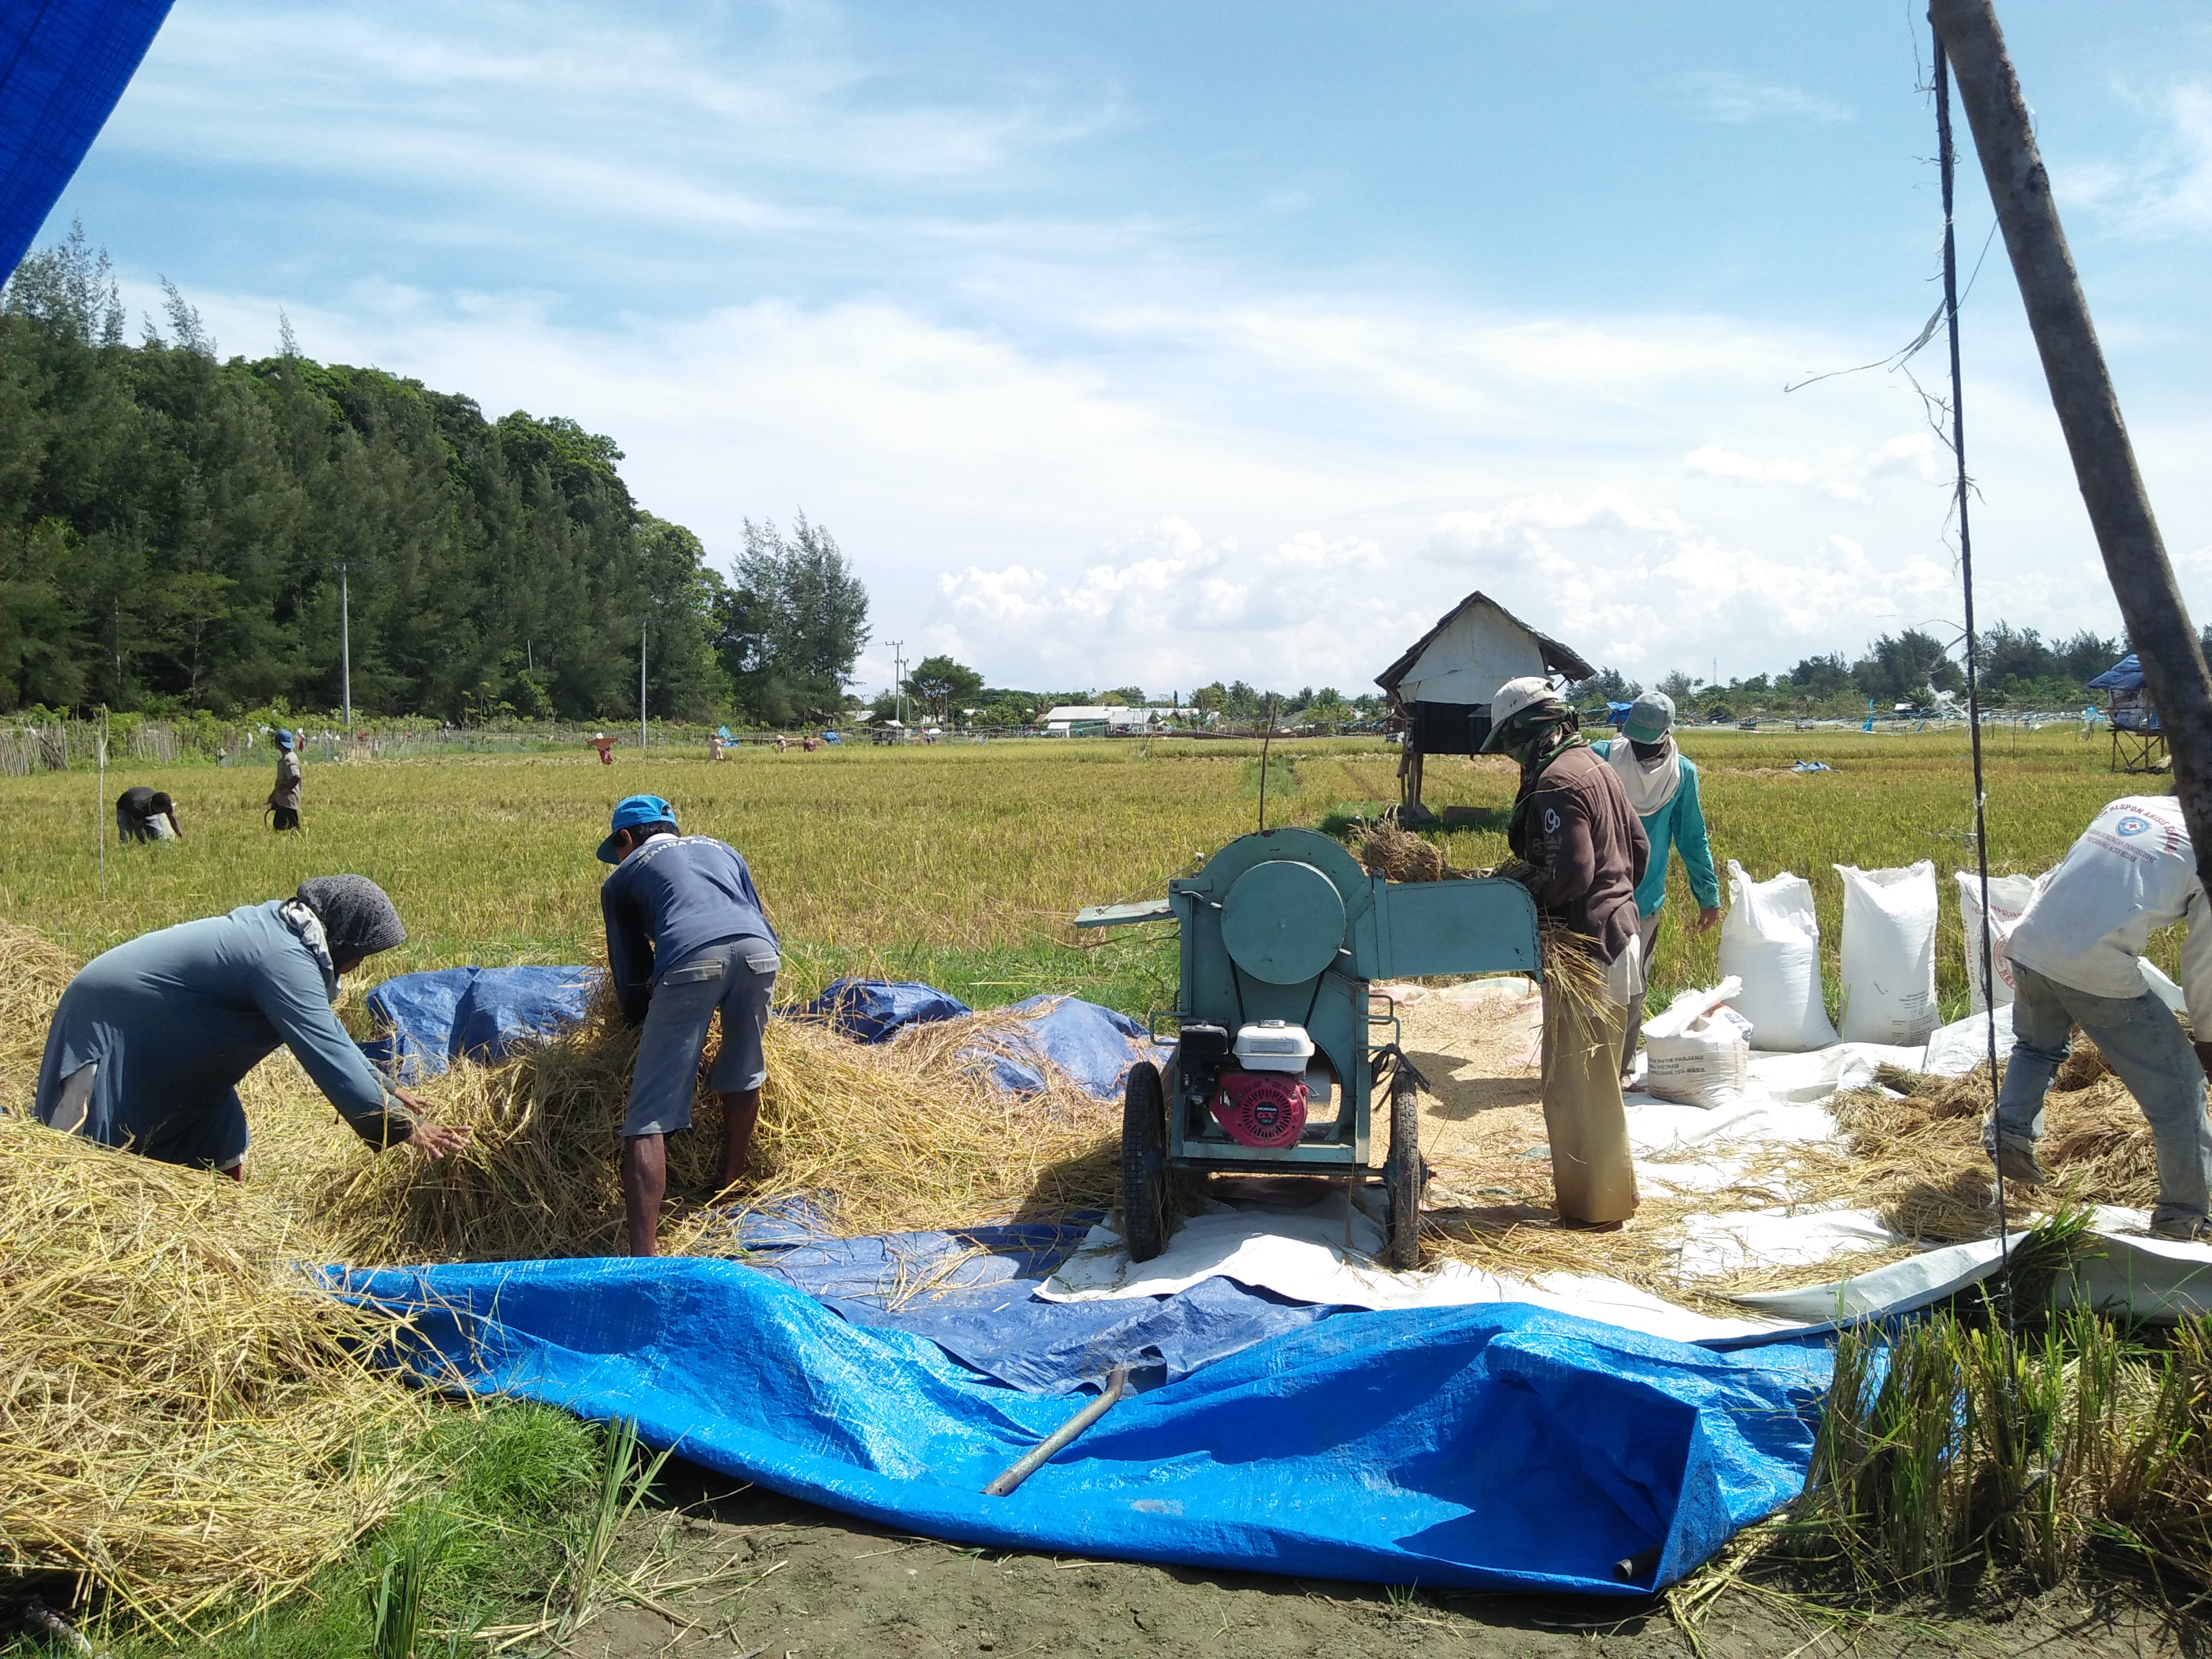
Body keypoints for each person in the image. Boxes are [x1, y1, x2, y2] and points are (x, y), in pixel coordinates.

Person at [32, 876, 470, 1176]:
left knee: (213, 1129)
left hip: (172, 1039)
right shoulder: (281, 958)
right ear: (343, 936)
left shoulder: (289, 940)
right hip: (111, 1019)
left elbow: (328, 1030)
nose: (359, 965)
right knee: (87, 1154)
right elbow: (322, 1047)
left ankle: (222, 1221)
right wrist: (402, 1127)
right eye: (363, 951)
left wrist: (386, 1087)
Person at [1988, 793, 2212, 1241]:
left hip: (2031, 939)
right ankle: (2184, 1218)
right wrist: (2206, 1040)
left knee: (2037, 1045)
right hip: (2097, 966)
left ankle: (2011, 1132)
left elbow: (2068, 876)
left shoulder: (2126, 804)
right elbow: (2205, 961)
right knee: (2182, 1094)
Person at [1480, 676, 1650, 1228]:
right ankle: (1613, 1195)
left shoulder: (1556, 781)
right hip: (1619, 938)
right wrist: (1617, 900)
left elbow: (1572, 874)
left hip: (1587, 952)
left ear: (1525, 733)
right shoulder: (1597, 765)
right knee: (1599, 1085)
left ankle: (1595, 1212)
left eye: (1509, 744)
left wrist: (1519, 900)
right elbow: (1639, 849)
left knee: (1578, 1091)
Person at [597, 794, 780, 1255]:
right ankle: (731, 1187)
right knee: (744, 1070)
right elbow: (754, 914)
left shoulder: (624, 876)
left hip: (691, 957)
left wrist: (635, 1023)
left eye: (616, 849)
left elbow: (631, 969)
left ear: (625, 839)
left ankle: (644, 1257)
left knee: (649, 1115)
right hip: (761, 952)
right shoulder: (722, 848)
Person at [1589, 691, 1721, 1079]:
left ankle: (1621, 1067)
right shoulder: (1598, 758)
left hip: (1642, 899)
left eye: (1648, 744)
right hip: (1592, 896)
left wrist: (1708, 895)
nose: (1642, 751)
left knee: (1633, 987)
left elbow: (1692, 837)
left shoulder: (1682, 775)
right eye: (1636, 744)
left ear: (1666, 736)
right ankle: (1590, 1064)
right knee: (1592, 984)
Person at [116, 785, 182, 844]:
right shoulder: (138, 808)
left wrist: (181, 834)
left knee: (157, 834)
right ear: (155, 806)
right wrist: (145, 843)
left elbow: (173, 819)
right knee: (126, 836)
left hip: (144, 795)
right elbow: (138, 829)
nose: (164, 812)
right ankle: (125, 849)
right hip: (125, 806)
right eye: (162, 811)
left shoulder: (166, 804)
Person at [268, 729, 303, 831]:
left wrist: (285, 789)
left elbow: (296, 776)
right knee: (280, 825)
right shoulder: (289, 757)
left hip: (288, 801)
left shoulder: (288, 760)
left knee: (291, 827)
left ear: (278, 743)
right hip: (284, 800)